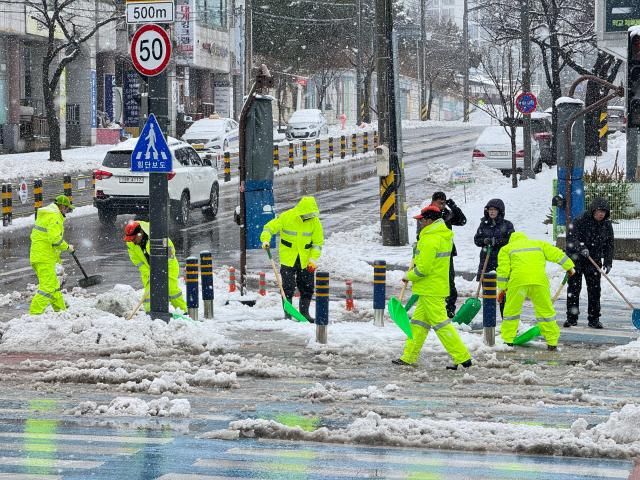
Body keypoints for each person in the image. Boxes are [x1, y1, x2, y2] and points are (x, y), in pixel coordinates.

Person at [393, 205, 473, 369]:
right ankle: (408, 356)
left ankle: (462, 357)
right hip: (432, 288)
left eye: (422, 220)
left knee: (442, 325)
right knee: (418, 324)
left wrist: (409, 275)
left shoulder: (430, 239)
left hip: (430, 289)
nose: (420, 223)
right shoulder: (442, 236)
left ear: (429, 220)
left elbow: (423, 269)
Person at [497, 231, 575, 350]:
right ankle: (552, 342)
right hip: (539, 281)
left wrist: (502, 288)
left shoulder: (506, 248)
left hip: (518, 282)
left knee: (511, 312)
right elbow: (556, 253)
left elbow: (503, 270)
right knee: (546, 312)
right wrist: (569, 266)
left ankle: (508, 341)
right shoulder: (538, 244)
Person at [260, 196, 324, 323]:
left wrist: (313, 259)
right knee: (287, 287)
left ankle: (304, 313)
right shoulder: (287, 217)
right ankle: (288, 314)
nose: (309, 217)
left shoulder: (314, 221)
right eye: (307, 215)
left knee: (307, 287)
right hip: (288, 259)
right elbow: (269, 228)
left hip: (306, 260)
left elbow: (318, 242)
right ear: (301, 211)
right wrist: (265, 239)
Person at [564, 198, 614, 329]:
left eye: (604, 211)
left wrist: (608, 261)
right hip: (575, 260)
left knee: (595, 290)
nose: (601, 214)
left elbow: (609, 244)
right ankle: (571, 318)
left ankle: (594, 319)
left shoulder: (607, 225)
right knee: (574, 289)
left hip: (594, 261)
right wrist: (581, 247)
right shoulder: (580, 220)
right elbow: (571, 237)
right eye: (599, 211)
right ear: (593, 210)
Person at [124, 221, 187, 313]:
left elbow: (170, 254)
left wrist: (162, 270)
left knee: (171, 290)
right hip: (148, 270)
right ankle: (150, 313)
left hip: (168, 267)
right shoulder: (130, 243)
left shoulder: (157, 234)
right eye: (130, 239)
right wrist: (148, 273)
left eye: (133, 238)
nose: (132, 241)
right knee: (148, 294)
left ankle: (184, 311)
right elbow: (137, 261)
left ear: (140, 233)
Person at [29, 195, 75, 314]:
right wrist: (67, 247)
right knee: (48, 288)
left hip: (41, 255)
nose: (67, 211)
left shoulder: (48, 214)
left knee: (54, 287)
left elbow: (46, 239)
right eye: (67, 209)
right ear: (62, 206)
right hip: (44, 257)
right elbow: (55, 240)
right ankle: (34, 314)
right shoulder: (54, 216)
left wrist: (57, 260)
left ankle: (61, 312)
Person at [431, 191, 466, 318]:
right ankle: (435, 306)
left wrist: (454, 207)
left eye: (443, 203)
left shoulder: (447, 213)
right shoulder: (428, 213)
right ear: (433, 201)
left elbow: (462, 221)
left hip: (446, 253)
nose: (442, 205)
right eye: (439, 203)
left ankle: (449, 308)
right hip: (432, 252)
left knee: (449, 281)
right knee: (434, 280)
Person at [473, 199, 515, 279]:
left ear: (500, 211)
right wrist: (484, 241)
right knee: (487, 286)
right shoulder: (484, 224)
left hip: (502, 259)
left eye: (494, 210)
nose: (492, 212)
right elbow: (476, 240)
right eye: (490, 209)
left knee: (502, 285)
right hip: (486, 260)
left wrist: (495, 241)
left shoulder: (507, 225)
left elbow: (511, 241)